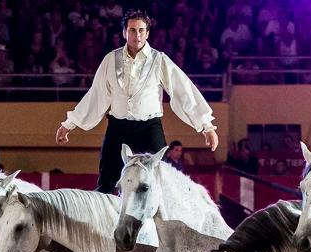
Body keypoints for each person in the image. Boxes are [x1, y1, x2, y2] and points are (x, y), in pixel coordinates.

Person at [56, 11, 220, 194]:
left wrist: (207, 126)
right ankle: (106, 221)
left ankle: (162, 221)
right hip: (117, 127)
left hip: (149, 127)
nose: (137, 35)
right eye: (132, 30)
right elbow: (96, 95)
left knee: (162, 178)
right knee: (106, 182)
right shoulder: (111, 59)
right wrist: (69, 124)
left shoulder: (159, 60)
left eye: (141, 30)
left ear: (147, 33)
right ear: (125, 33)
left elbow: (184, 90)